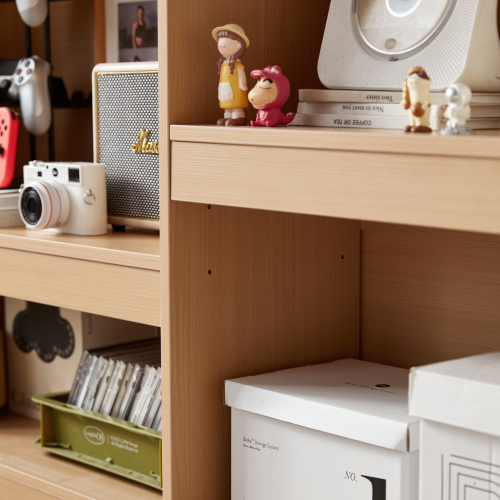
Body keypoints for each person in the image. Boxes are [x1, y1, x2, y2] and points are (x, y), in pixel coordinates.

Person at [212, 24, 250, 126]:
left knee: (236, 102)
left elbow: (241, 74)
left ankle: (239, 117)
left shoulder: (238, 64)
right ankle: (227, 117)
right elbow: (221, 76)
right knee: (227, 104)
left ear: (238, 45)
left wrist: (243, 84)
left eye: (223, 45)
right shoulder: (223, 64)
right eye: (219, 45)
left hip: (236, 88)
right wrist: (219, 86)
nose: (220, 47)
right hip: (224, 87)